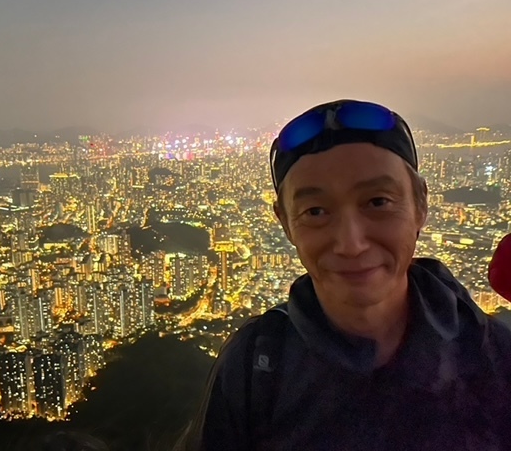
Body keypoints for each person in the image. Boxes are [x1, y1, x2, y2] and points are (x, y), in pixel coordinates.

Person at [179, 99, 511, 451]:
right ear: (285, 223)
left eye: (378, 202)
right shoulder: (256, 367)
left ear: (420, 204)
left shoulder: (497, 360)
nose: (350, 244)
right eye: (315, 211)